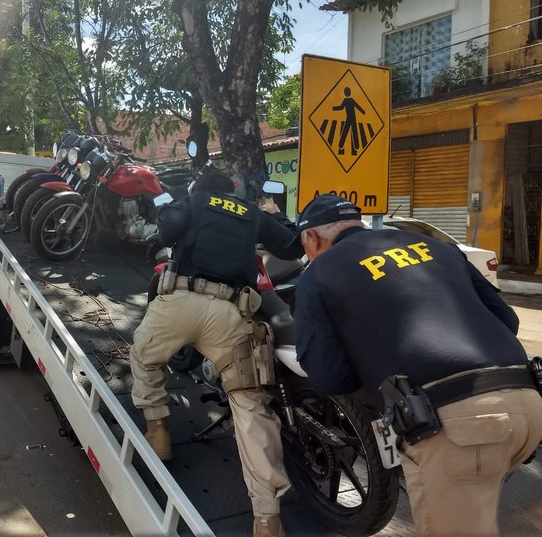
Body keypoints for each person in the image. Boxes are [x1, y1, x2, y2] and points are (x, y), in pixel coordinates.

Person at [292, 193, 542, 537]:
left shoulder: (318, 274)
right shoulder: (433, 245)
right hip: (528, 405)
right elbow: (506, 320)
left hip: (458, 428)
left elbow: (329, 377)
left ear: (313, 237)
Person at [130, 171, 304, 537]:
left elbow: (167, 232)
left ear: (202, 188)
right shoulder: (252, 213)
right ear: (234, 191)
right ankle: (267, 518)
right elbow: (292, 247)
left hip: (179, 301)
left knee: (145, 356)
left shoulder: (193, 200)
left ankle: (158, 430)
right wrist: (274, 213)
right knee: (250, 406)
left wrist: (175, 205)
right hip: (230, 313)